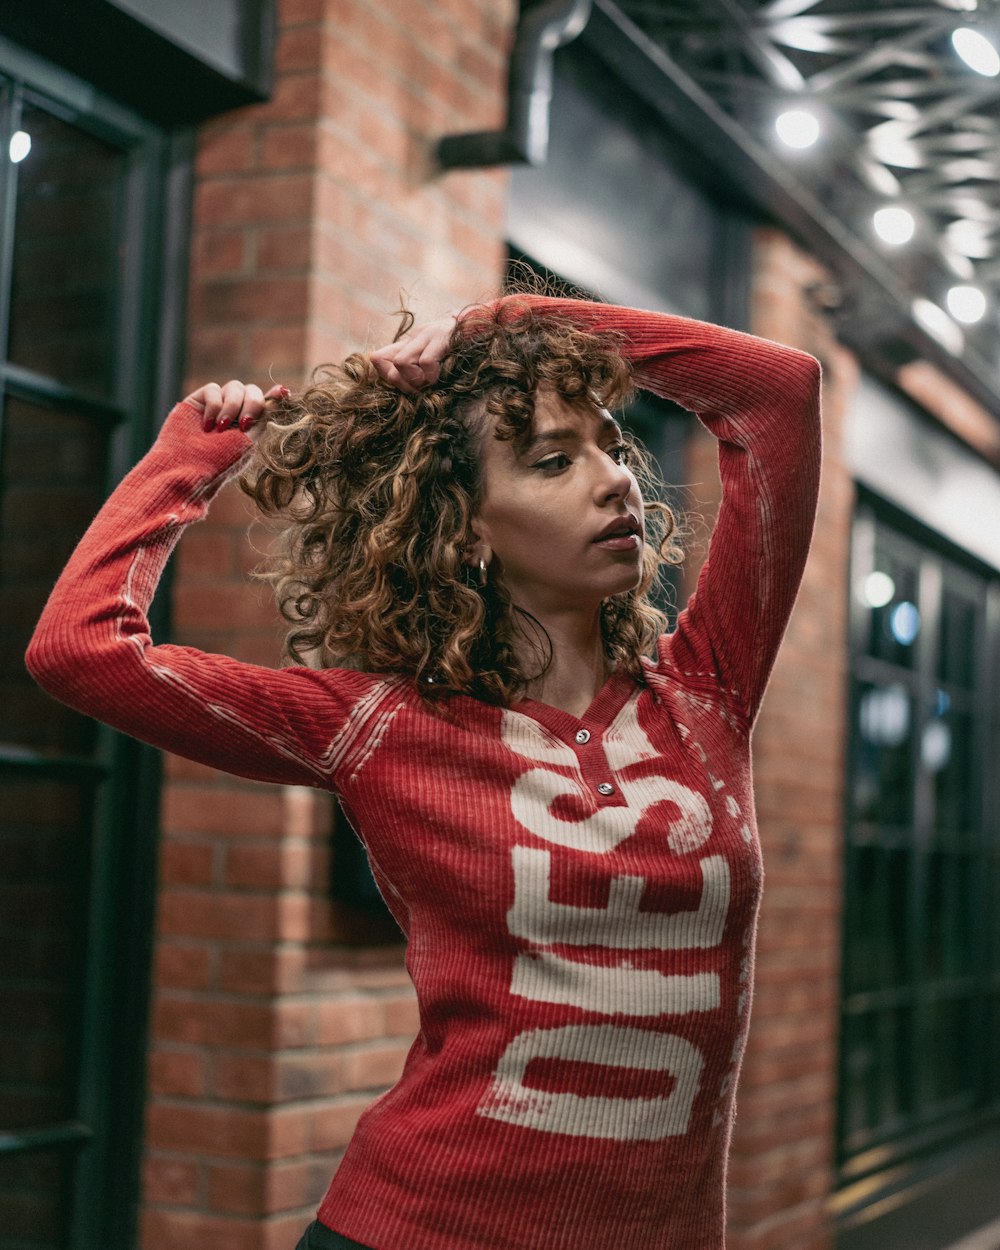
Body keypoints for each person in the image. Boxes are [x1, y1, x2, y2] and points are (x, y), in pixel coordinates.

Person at [25, 291, 822, 1250]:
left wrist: (503, 323)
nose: (616, 482)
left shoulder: (709, 685)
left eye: (611, 444)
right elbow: (81, 651)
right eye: (553, 461)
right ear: (468, 528)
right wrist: (186, 466)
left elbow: (779, 392)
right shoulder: (379, 726)